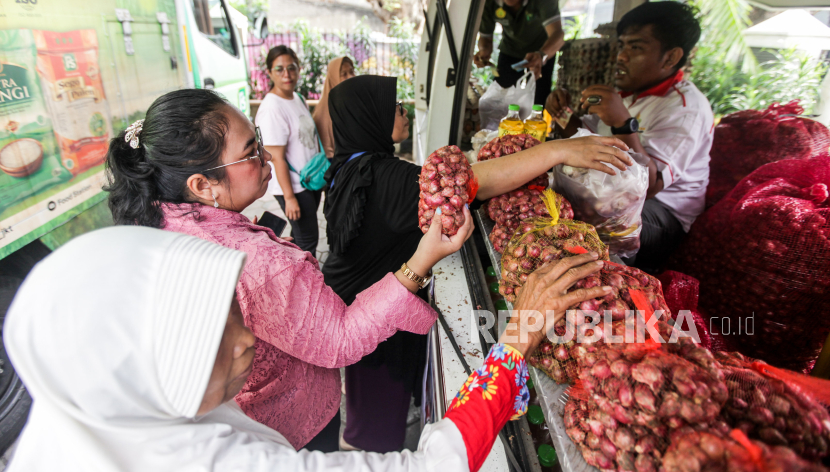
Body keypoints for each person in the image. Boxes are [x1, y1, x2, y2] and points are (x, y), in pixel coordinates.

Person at [3, 225, 610, 472]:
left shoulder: (102, 420)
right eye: (209, 337)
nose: (247, 340)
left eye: (234, 311)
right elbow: (431, 468)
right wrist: (513, 344)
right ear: (137, 369)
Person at [104, 88, 475, 453]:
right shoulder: (258, 264)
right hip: (291, 425)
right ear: (202, 185)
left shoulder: (160, 220)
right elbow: (340, 340)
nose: (266, 156)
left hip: (248, 410)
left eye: (259, 140)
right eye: (250, 152)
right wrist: (419, 263)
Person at [321, 75, 632, 452]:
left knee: (391, 390)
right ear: (370, 118)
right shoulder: (385, 177)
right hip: (370, 320)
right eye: (396, 108)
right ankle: (377, 455)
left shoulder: (350, 165)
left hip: (367, 297)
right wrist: (558, 151)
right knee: (375, 421)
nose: (404, 112)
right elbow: (474, 182)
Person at [545, 1, 714, 272]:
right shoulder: (629, 94)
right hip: (611, 191)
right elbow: (585, 138)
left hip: (662, 213)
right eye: (622, 46)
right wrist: (561, 113)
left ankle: (611, 285)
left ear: (670, 57)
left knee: (597, 215)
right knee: (549, 196)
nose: (621, 56)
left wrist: (623, 124)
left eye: (635, 47)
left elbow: (651, 185)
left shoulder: (685, 109)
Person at [473, 0, 565, 108]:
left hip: (541, 54)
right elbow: (485, 37)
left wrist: (541, 55)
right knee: (501, 101)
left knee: (536, 104)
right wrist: (484, 51)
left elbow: (557, 35)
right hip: (509, 53)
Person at [256, 45, 323, 254]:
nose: (287, 74)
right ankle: (305, 281)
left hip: (309, 179)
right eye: (279, 69)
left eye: (292, 67)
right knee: (308, 239)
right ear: (269, 72)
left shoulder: (297, 98)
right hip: (293, 186)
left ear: (299, 69)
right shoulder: (272, 108)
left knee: (303, 234)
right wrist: (289, 198)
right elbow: (276, 158)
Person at [313, 56, 356, 160]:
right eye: (344, 74)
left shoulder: (354, 103)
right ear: (333, 78)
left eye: (351, 71)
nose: (350, 77)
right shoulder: (323, 112)